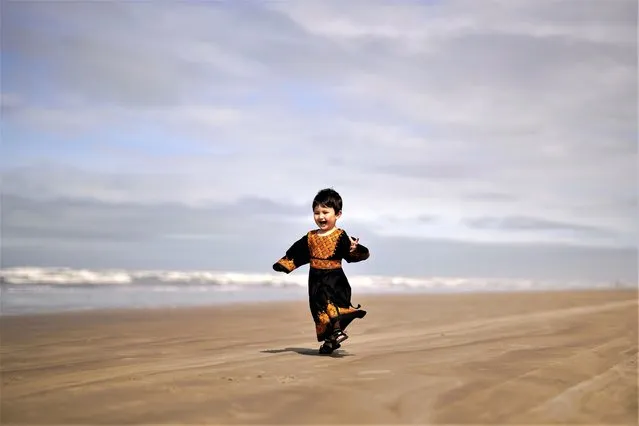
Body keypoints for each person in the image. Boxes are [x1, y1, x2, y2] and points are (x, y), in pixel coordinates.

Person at [272, 188, 370, 355]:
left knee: (332, 305)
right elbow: (298, 251)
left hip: (336, 279)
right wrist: (285, 263)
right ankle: (330, 341)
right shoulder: (310, 237)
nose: (321, 217)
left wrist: (354, 248)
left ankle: (337, 332)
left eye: (325, 212)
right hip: (316, 279)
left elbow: (353, 253)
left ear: (338, 214)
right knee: (319, 310)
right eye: (317, 212)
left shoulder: (341, 235)